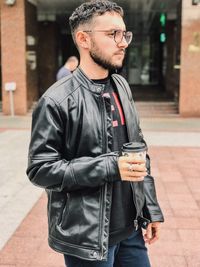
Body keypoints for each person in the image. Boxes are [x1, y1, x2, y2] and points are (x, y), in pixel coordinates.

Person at [26, 1, 164, 266]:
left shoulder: (121, 86)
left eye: (125, 34)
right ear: (83, 39)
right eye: (113, 34)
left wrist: (150, 209)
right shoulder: (56, 100)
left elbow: (139, 150)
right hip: (88, 237)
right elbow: (40, 169)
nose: (123, 42)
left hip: (132, 229)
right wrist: (110, 166)